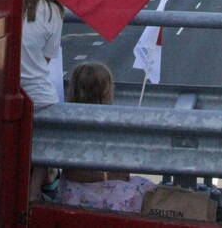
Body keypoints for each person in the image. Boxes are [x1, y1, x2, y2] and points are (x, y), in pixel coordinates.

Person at [56, 62, 155, 211]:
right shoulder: (112, 122)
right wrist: (106, 177)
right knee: (148, 191)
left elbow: (70, 171)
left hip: (70, 193)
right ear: (106, 90)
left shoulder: (66, 120)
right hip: (100, 194)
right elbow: (123, 173)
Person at [23, 0, 64, 201]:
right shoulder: (52, 10)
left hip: (1, 94)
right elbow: (46, 59)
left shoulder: (3, 5)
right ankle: (33, 195)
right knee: (43, 149)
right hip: (39, 97)